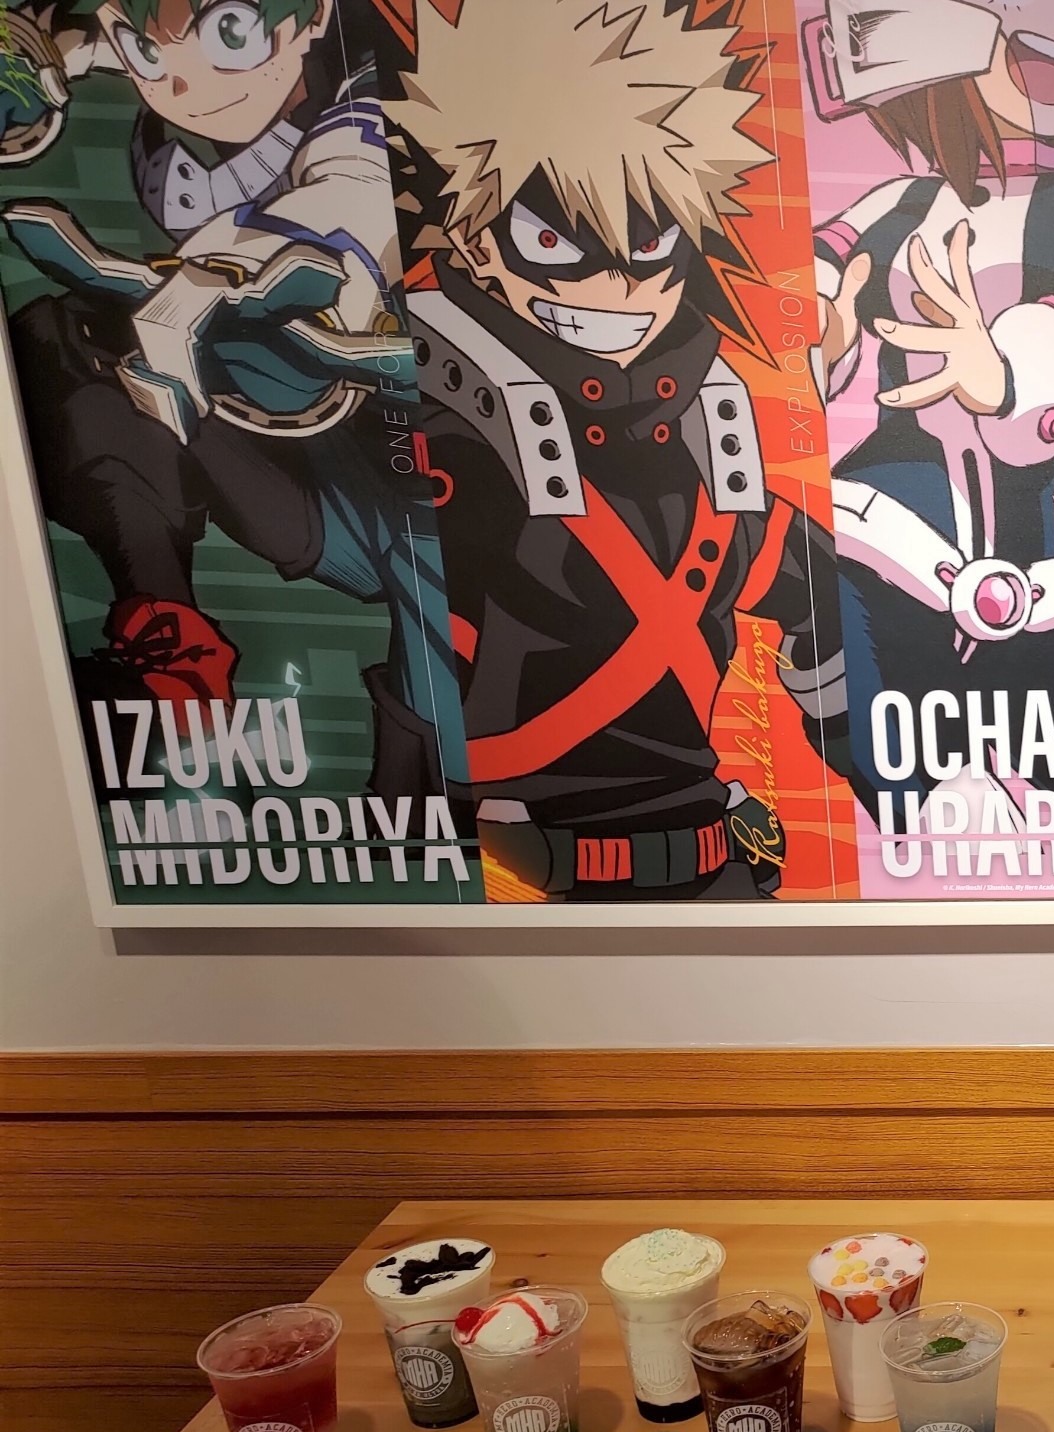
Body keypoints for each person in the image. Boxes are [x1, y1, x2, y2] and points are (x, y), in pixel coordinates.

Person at [386, 0, 851, 900]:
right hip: (520, 898)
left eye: (649, 240)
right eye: (552, 240)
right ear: (473, 243)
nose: (616, 285)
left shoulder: (710, 459)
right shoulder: (446, 455)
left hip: (717, 876)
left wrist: (919, 792)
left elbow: (819, 602)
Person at [0, 0, 463, 793]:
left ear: (313, 18)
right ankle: (171, 656)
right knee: (62, 336)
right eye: (145, 52)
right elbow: (110, 36)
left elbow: (351, 205)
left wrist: (243, 274)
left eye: (230, 35)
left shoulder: (369, 105)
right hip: (287, 453)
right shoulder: (183, 60)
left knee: (446, 727)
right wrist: (46, 55)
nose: (181, 83)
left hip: (401, 496)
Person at [806, 0, 1054, 813]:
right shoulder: (896, 203)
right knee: (931, 821)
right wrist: (819, 335)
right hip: (869, 551)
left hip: (1023, 598)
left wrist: (1009, 378)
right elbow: (791, 310)